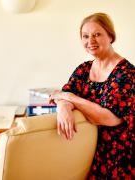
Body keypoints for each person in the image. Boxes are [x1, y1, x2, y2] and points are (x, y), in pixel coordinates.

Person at [49, 12, 134, 179]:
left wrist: (70, 98)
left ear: (110, 36)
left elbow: (107, 118)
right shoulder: (83, 69)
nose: (90, 41)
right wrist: (64, 106)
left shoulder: (127, 74)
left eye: (97, 34)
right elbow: (62, 94)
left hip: (119, 159)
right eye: (85, 36)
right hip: (87, 155)